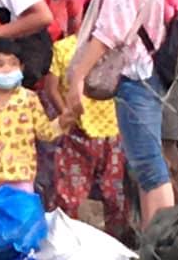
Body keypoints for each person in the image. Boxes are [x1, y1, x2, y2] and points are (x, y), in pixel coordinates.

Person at [62, 0, 178, 226]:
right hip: (155, 66)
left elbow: (111, 29)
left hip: (137, 72)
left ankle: (162, 244)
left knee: (148, 165)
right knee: (148, 163)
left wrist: (78, 76)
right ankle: (156, 240)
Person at [48, 33, 130, 237]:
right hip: (77, 133)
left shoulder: (121, 47)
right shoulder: (64, 48)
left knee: (116, 197)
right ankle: (65, 242)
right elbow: (51, 88)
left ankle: (118, 244)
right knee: (68, 196)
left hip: (113, 132)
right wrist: (68, 115)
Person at [0, 45, 58, 189]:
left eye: (13, 63)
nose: (7, 69)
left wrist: (63, 121)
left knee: (21, 210)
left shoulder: (29, 99)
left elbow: (45, 133)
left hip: (22, 176)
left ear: (21, 68)